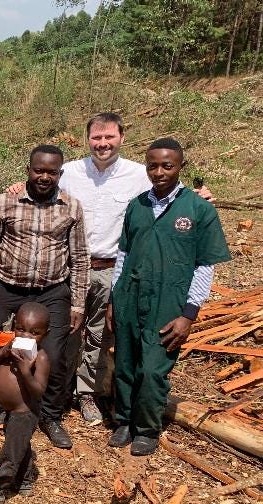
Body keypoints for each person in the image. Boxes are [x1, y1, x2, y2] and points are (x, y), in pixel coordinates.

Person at [6, 113, 214, 428]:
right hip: (70, 267)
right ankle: (57, 393)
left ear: (121, 138)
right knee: (65, 332)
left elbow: (174, 192)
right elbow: (39, 181)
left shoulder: (139, 174)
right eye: (96, 138)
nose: (103, 144)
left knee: (99, 335)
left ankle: (88, 392)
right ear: (88, 139)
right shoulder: (71, 171)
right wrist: (15, 186)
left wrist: (202, 196)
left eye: (109, 137)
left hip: (112, 267)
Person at [106, 138, 230, 456]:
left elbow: (204, 267)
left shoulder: (199, 210)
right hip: (129, 297)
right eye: (152, 165)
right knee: (125, 361)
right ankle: (123, 420)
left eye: (167, 165)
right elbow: (124, 254)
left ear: (181, 167)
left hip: (169, 303)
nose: (159, 172)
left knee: (153, 368)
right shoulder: (138, 206)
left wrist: (189, 314)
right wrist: (113, 299)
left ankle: (146, 428)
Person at [0, 144, 90, 450]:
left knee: (53, 356)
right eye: (39, 170)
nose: (45, 177)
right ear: (28, 169)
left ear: (60, 174)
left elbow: (79, 258)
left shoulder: (71, 207)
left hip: (52, 292)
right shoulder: (5, 202)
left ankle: (49, 415)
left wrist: (77, 303)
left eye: (52, 172)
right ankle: (10, 407)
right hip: (10, 291)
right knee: (9, 353)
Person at [0, 302, 51, 502]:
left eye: (34, 333)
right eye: (20, 329)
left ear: (45, 335)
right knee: (19, 445)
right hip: (11, 411)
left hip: (25, 413)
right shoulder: (11, 348)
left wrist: (25, 370)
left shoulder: (40, 358)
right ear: (14, 326)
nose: (26, 337)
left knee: (11, 454)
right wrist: (3, 353)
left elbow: (39, 391)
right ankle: (25, 480)